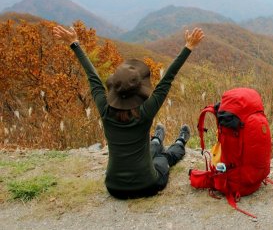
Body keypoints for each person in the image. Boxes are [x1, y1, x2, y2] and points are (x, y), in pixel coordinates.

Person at [53, 25, 205, 199]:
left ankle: (156, 139)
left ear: (114, 89)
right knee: (164, 158)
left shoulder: (105, 108)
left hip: (114, 188)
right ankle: (179, 142)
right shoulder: (145, 112)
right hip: (148, 185)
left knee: (151, 149)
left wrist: (74, 43)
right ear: (139, 90)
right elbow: (167, 78)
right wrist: (188, 47)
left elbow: (92, 76)